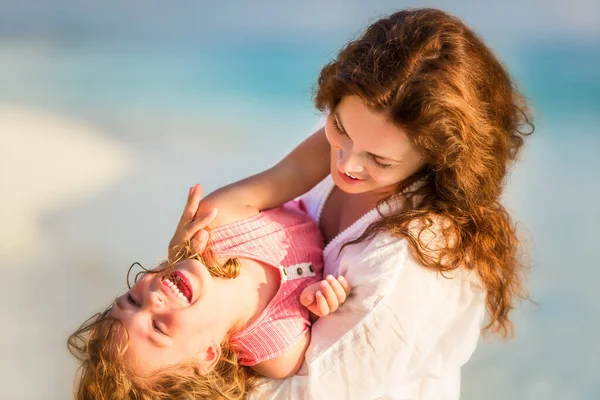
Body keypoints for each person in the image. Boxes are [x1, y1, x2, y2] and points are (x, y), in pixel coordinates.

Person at [195, 8, 534, 399]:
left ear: (438, 160)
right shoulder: (353, 137)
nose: (345, 164)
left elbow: (310, 391)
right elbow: (240, 203)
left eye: (379, 159)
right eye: (339, 126)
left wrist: (206, 319)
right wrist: (192, 255)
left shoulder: (413, 259)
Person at [67, 184, 351, 399]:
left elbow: (302, 167)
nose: (151, 299)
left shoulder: (216, 225)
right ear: (206, 355)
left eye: (132, 300)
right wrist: (324, 299)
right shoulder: (278, 352)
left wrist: (181, 256)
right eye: (157, 327)